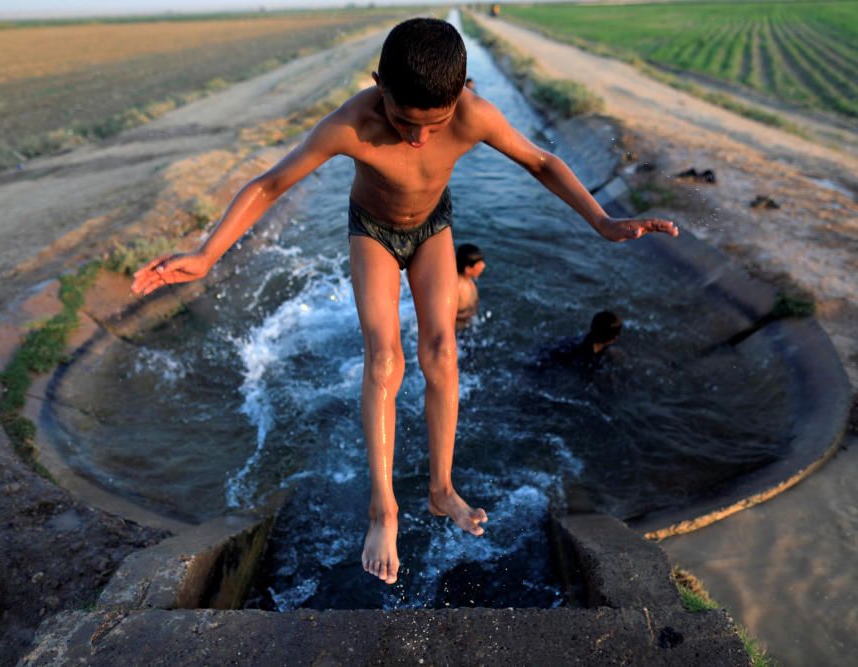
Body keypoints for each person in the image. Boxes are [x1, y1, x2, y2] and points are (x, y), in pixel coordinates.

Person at [131, 18, 677, 586]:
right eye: (402, 121)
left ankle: (442, 490)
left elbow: (541, 162)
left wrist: (603, 221)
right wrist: (206, 254)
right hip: (371, 231)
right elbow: (270, 185)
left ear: (462, 92)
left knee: (441, 353)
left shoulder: (473, 114)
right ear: (378, 86)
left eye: (432, 126)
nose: (417, 139)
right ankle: (382, 508)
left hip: (433, 229)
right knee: (384, 358)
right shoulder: (351, 123)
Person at [535, 310, 624, 370]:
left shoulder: (590, 337)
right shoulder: (587, 354)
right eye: (617, 332)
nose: (618, 335)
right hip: (549, 363)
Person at [455, 243, 485, 328]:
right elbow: (442, 314)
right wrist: (467, 315)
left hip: (468, 326)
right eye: (479, 264)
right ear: (468, 269)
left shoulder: (468, 280)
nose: (483, 266)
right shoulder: (458, 287)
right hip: (458, 332)